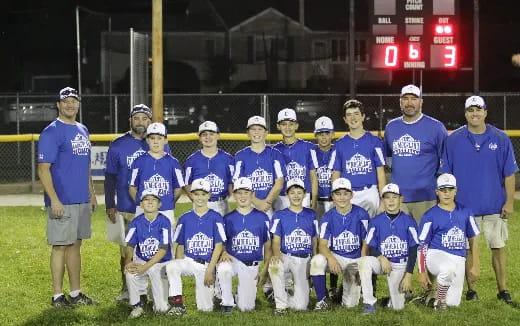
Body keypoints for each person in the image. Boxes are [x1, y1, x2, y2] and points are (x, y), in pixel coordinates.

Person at [441, 95, 518, 304]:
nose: (474, 113)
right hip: (464, 207)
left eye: (478, 110)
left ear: (485, 112)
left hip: (494, 205)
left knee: (498, 247)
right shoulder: (453, 139)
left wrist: (509, 202)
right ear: (465, 114)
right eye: (470, 110)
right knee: (465, 249)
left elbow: (509, 174)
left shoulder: (500, 138)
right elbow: (446, 175)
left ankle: (503, 289)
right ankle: (471, 290)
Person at [38, 86, 98, 307]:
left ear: (78, 104)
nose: (70, 105)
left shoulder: (82, 129)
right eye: (66, 101)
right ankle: (57, 295)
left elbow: (86, 167)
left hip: (81, 199)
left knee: (75, 245)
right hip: (62, 201)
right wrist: (54, 199)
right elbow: (43, 168)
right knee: (60, 246)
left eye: (74, 101)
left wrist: (91, 193)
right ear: (58, 105)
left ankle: (75, 293)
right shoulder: (52, 131)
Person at [104, 103, 170, 301]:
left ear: (150, 121)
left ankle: (154, 291)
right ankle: (128, 289)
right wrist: (109, 204)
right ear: (130, 120)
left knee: (156, 249)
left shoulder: (158, 142)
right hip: (125, 206)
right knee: (127, 251)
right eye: (137, 118)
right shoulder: (118, 144)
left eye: (144, 118)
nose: (140, 122)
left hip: (155, 209)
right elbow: (110, 177)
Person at [383, 85, 448, 222]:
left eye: (414, 98)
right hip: (397, 197)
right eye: (405, 99)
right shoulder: (391, 127)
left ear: (421, 102)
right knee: (399, 241)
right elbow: (388, 157)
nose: (409, 103)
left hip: (425, 197)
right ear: (400, 102)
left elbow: (446, 160)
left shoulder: (436, 127)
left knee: (425, 241)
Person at [417, 173, 480, 311]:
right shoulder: (430, 215)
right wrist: (422, 272)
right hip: (436, 255)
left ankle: (433, 297)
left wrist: (475, 265)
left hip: (458, 257)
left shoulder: (466, 212)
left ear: (456, 191)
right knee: (448, 270)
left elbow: (473, 240)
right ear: (437, 192)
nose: (447, 194)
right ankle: (439, 302)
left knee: (453, 303)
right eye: (443, 190)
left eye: (450, 190)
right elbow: (422, 246)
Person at [166, 179, 226, 315]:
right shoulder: (184, 218)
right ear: (191, 195)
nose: (200, 197)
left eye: (203, 194)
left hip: (206, 265)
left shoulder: (216, 217)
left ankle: (217, 297)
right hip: (189, 261)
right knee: (172, 266)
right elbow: (180, 246)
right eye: (197, 194)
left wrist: (210, 270)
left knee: (205, 309)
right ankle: (178, 303)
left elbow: (218, 246)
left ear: (209, 195)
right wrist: (177, 268)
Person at [309, 178, 369, 311]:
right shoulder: (327, 217)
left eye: (345, 193)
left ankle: (343, 290)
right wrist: (331, 259)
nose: (342, 198)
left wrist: (363, 264)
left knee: (349, 305)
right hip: (337, 257)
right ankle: (322, 300)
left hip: (355, 259)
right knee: (317, 261)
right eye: (338, 194)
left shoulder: (362, 214)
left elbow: (366, 242)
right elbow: (322, 245)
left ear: (351, 195)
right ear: (332, 196)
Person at [358, 183, 419, 314]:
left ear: (401, 199)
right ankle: (369, 303)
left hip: (400, 264)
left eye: (394, 197)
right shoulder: (376, 221)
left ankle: (392, 299)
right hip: (382, 262)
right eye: (387, 197)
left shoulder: (409, 221)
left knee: (398, 307)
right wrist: (380, 257)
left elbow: (414, 249)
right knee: (364, 262)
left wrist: (408, 275)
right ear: (382, 200)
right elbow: (371, 245)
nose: (391, 200)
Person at [217, 177, 272, 313]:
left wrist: (264, 271)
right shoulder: (227, 218)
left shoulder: (262, 217)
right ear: (234, 195)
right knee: (223, 268)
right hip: (233, 260)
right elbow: (221, 243)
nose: (242, 196)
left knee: (246, 307)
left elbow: (268, 247)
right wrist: (223, 251)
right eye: (239, 192)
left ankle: (238, 296)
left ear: (252, 195)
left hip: (251, 265)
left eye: (246, 192)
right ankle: (227, 303)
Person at [269, 178, 318, 315]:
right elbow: (276, 240)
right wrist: (276, 254)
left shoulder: (311, 214)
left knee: (301, 306)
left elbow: (314, 240)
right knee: (274, 266)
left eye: (299, 192)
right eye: (292, 192)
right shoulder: (280, 215)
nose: (296, 196)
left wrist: (314, 259)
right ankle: (280, 306)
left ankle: (283, 295)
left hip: (304, 258)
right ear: (287, 195)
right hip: (286, 256)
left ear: (304, 194)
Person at [329, 99, 386, 217]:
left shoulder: (375, 141)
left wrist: (383, 199)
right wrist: (335, 197)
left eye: (356, 114)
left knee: (371, 232)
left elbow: (380, 173)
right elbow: (336, 174)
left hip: (369, 192)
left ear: (363, 116)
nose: (352, 118)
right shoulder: (339, 144)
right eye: (349, 115)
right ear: (345, 119)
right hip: (347, 195)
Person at [124, 188, 172, 318]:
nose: (150, 202)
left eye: (154, 199)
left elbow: (163, 249)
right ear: (141, 204)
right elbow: (129, 245)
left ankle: (159, 299)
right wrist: (129, 261)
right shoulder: (136, 222)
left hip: (160, 262)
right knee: (130, 273)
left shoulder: (164, 221)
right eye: (146, 199)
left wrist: (145, 267)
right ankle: (137, 305)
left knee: (161, 309)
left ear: (159, 204)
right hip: (142, 259)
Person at [129, 122, 184, 224]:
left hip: (165, 210)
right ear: (147, 140)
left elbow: (178, 188)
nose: (155, 141)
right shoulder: (138, 162)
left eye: (159, 138)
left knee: (165, 239)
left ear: (165, 140)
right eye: (152, 138)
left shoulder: (173, 162)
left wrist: (168, 203)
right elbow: (132, 187)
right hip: (143, 210)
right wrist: (140, 203)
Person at [233, 116, 285, 218]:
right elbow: (238, 183)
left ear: (266, 133)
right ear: (248, 133)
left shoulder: (275, 154)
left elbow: (279, 182)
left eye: (260, 129)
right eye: (253, 129)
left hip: (269, 205)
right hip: (248, 205)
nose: (256, 132)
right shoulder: (240, 155)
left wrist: (267, 202)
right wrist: (256, 202)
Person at [184, 121, 234, 216]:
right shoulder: (191, 160)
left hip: (222, 203)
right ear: (199, 137)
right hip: (201, 204)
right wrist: (196, 200)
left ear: (218, 136)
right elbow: (187, 184)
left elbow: (231, 182)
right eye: (204, 134)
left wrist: (228, 197)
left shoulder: (228, 159)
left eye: (212, 134)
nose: (208, 137)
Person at [273, 108, 319, 210]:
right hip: (282, 197)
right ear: (278, 126)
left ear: (296, 125)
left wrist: (314, 201)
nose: (288, 127)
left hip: (303, 196)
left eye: (291, 124)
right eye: (284, 124)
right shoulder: (274, 150)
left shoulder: (309, 147)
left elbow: (313, 177)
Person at [313, 116, 335, 219]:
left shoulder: (338, 151)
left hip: (335, 200)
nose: (324, 137)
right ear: (315, 135)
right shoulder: (311, 153)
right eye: (321, 134)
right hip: (317, 200)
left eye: (327, 133)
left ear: (333, 134)